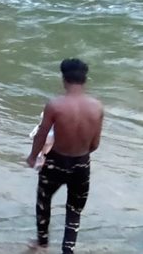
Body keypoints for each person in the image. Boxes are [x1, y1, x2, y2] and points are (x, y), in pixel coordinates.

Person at [27, 59, 103, 254]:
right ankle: (68, 250)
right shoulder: (97, 107)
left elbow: (42, 134)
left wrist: (33, 156)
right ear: (85, 79)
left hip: (56, 161)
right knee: (74, 210)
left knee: (44, 201)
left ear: (64, 79)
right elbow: (95, 144)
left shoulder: (55, 105)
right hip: (82, 164)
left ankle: (42, 244)